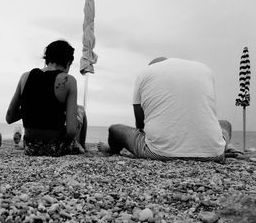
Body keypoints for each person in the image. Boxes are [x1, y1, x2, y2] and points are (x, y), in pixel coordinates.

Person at [98, 57, 231, 162]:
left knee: (115, 129)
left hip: (158, 152)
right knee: (225, 124)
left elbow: (140, 125)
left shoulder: (144, 74)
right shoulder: (205, 70)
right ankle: (222, 145)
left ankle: (111, 149)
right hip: (214, 153)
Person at [6, 40, 87, 156]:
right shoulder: (69, 80)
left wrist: (33, 104)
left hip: (30, 148)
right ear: (68, 62)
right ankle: (81, 145)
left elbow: (10, 117)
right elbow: (71, 131)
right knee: (80, 109)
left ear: (46, 59)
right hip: (56, 148)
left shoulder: (25, 77)